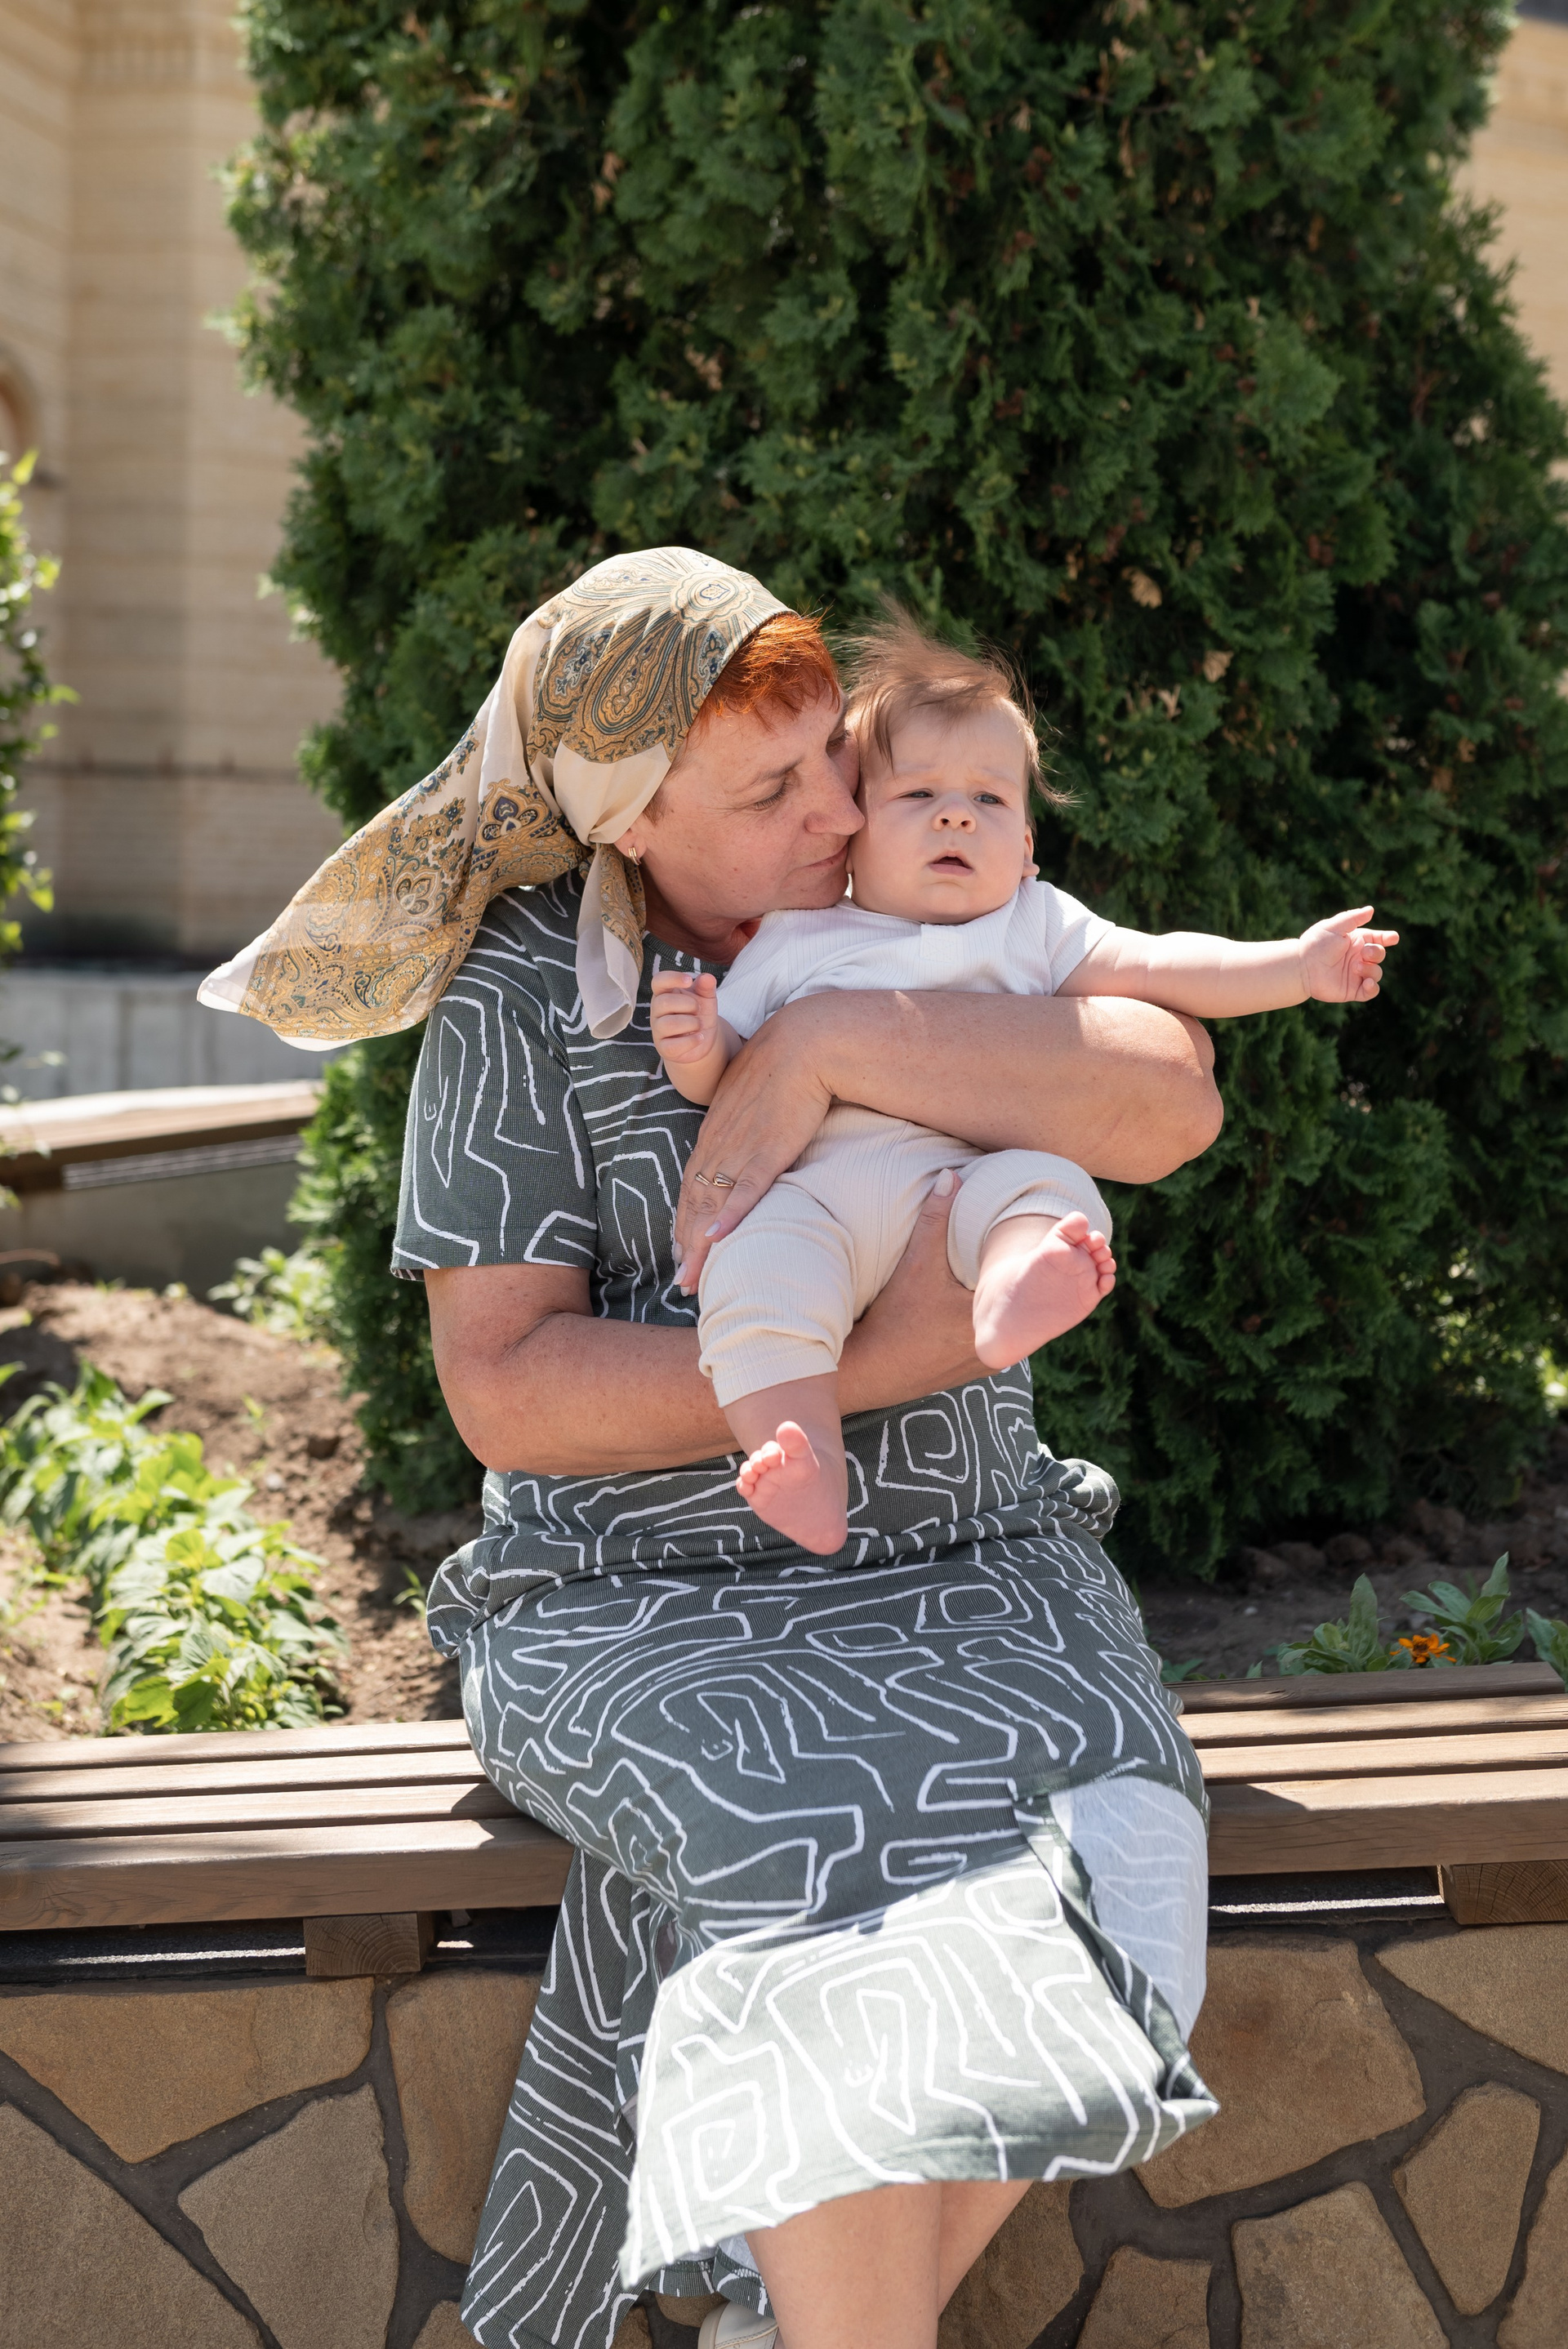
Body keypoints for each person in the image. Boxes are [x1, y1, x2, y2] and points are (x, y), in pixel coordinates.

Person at [202, 548, 1226, 2349]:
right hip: (633, 1597)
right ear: (633, 822)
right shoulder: (530, 993)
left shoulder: (923, 910)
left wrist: (826, 1037)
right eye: (772, 792)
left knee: (1120, 1835)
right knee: (823, 1864)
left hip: (979, 1559)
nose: (840, 804)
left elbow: (1166, 1095)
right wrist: (865, 1363)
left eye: (833, 755)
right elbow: (507, 1388)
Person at [651, 614, 1397, 1560]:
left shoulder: (1036, 924)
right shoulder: (800, 934)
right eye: (918, 793)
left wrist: (1296, 964)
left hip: (969, 1183)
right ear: (852, 831)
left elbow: (1166, 965)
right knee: (753, 1275)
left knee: (1049, 1192)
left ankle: (1012, 1291)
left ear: (1029, 844)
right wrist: (696, 1043)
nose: (956, 815)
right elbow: (735, 1083)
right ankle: (804, 1461)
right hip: (820, 1200)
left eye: (989, 798)